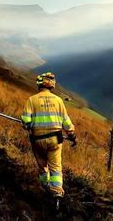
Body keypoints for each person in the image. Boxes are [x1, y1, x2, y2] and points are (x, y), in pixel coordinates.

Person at [21, 72, 76, 209]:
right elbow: (66, 122)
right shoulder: (58, 101)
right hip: (55, 140)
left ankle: (44, 187)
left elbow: (26, 121)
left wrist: (28, 125)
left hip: (37, 139)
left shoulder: (32, 100)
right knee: (56, 167)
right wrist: (71, 134)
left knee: (42, 166)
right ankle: (57, 194)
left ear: (39, 84)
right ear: (51, 84)